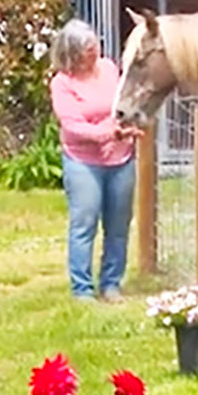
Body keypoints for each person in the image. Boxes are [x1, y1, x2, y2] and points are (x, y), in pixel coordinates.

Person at [49, 18, 141, 302]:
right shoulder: (62, 83)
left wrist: (127, 128)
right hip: (83, 162)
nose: (94, 52)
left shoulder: (109, 69)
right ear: (72, 54)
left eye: (95, 46)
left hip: (120, 159)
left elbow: (122, 104)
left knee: (118, 225)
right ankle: (82, 289)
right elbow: (72, 124)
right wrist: (106, 134)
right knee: (84, 223)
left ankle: (111, 284)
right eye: (87, 49)